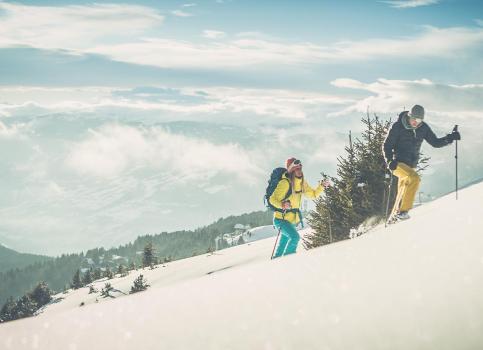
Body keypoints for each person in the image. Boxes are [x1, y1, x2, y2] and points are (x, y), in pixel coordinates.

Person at [383, 104, 461, 221]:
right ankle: (403, 212)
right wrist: (389, 160)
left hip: (411, 165)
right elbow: (387, 145)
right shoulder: (398, 126)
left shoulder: (423, 128)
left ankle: (394, 217)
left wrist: (450, 138)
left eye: (419, 120)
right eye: (413, 119)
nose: (416, 122)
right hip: (397, 163)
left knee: (402, 190)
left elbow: (435, 142)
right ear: (409, 116)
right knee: (414, 179)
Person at [269, 158, 328, 258]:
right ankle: (289, 261)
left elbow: (313, 194)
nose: (300, 171)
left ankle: (276, 263)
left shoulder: (302, 183)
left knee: (283, 243)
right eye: (296, 169)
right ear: (291, 170)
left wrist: (321, 186)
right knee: (294, 237)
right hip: (280, 219)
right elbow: (272, 199)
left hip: (290, 221)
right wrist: (282, 205)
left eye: (300, 168)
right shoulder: (285, 183)